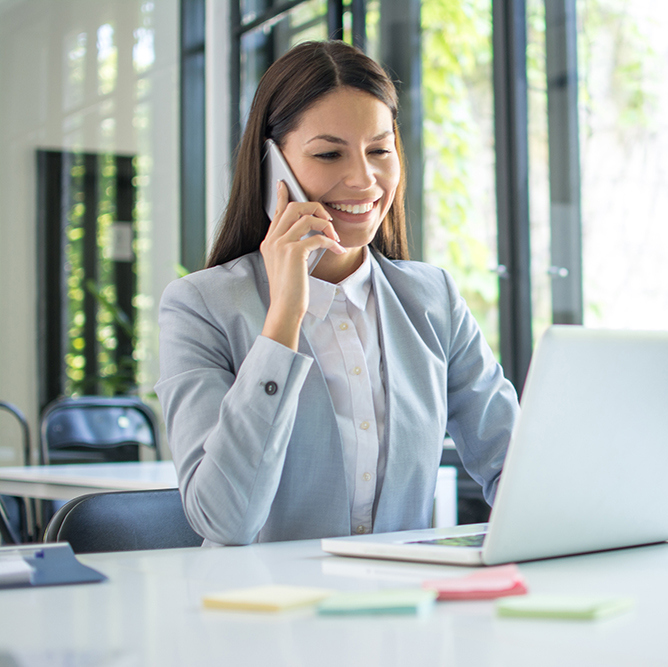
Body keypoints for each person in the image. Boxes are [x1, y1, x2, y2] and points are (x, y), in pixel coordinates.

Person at [154, 40, 518, 546]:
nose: (363, 179)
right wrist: (284, 318)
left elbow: (515, 467)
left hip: (402, 610)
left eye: (379, 151)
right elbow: (224, 520)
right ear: (271, 167)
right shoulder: (201, 307)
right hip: (261, 615)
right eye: (329, 154)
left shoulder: (432, 298)